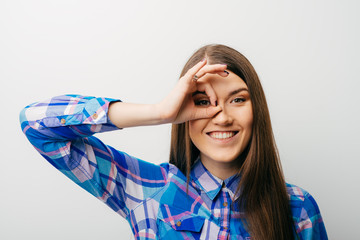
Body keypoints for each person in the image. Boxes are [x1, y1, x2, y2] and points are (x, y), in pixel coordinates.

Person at [20, 44, 328, 240]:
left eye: (237, 99)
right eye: (202, 101)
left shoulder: (297, 208)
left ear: (256, 109)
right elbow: (36, 123)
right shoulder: (148, 190)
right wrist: (159, 112)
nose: (221, 117)